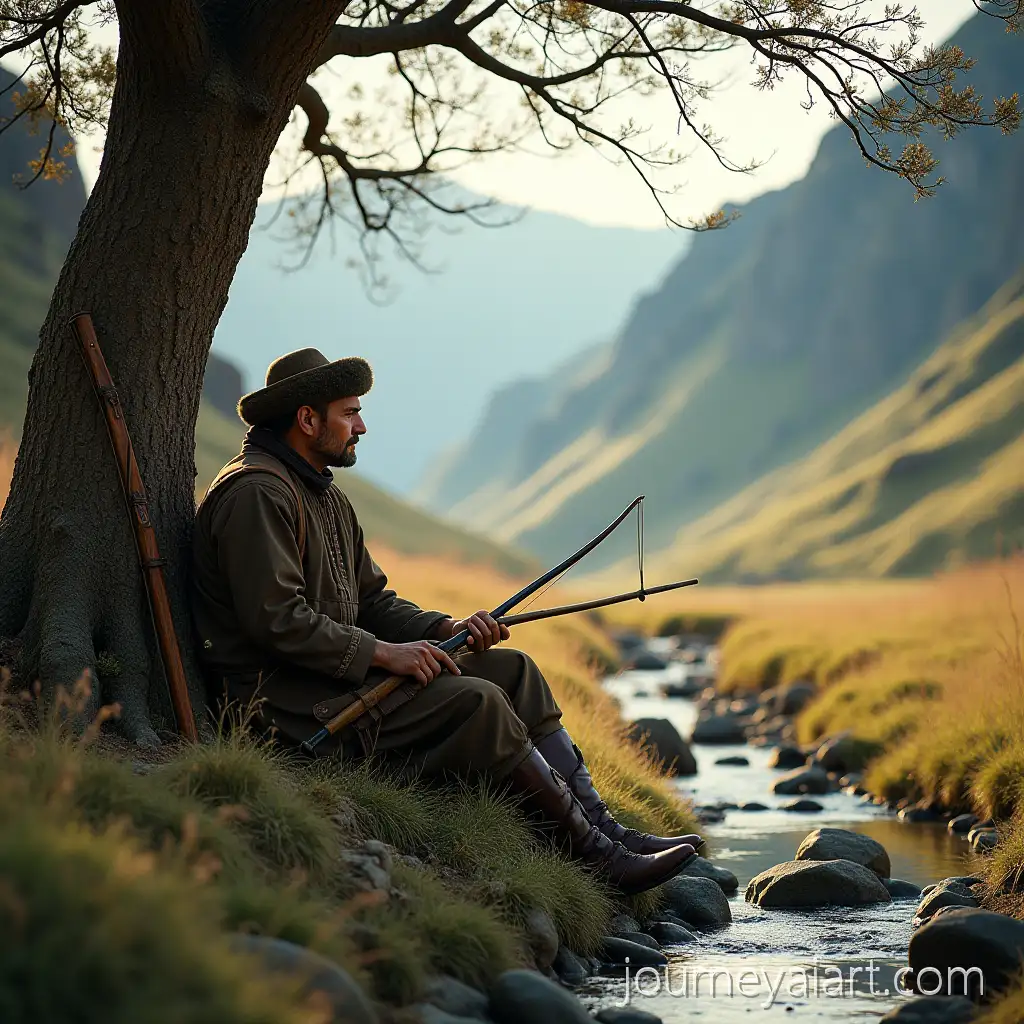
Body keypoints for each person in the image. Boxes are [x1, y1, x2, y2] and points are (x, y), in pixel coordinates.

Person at [191, 348, 700, 894]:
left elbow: (373, 602)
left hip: (329, 677)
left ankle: (608, 831)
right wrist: (385, 654)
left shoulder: (322, 494)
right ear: (307, 420)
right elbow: (279, 622)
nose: (361, 426)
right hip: (287, 706)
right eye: (348, 413)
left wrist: (444, 629)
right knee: (477, 702)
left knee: (513, 672)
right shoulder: (258, 494)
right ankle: (601, 862)